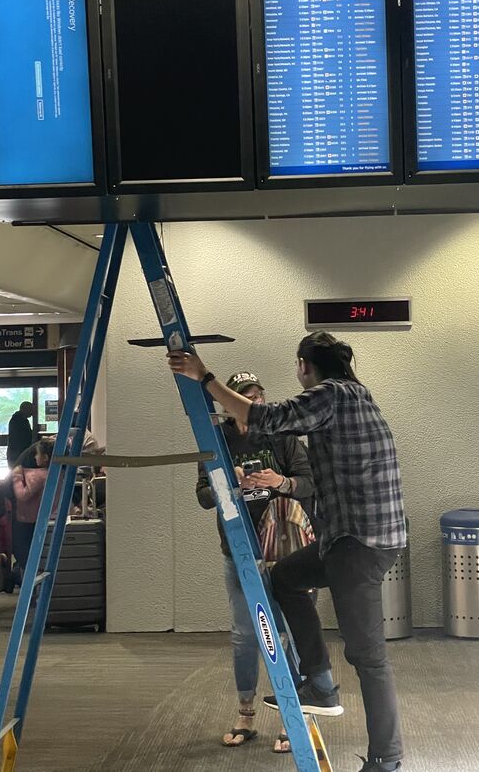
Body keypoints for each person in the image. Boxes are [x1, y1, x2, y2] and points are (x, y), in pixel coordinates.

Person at [170, 331, 407, 772]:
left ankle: (385, 760)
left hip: (359, 543)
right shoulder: (356, 394)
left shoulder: (331, 395)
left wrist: (204, 377)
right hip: (346, 539)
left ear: (304, 365)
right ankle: (319, 683)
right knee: (284, 580)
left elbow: (266, 417)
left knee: (368, 657)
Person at [195, 370, 316, 754]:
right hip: (239, 551)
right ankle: (246, 712)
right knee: (245, 635)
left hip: (287, 551)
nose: (254, 404)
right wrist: (223, 480)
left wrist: (277, 482)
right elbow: (202, 495)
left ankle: (294, 714)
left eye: (258, 397)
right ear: (230, 405)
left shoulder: (282, 436)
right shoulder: (217, 440)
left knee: (292, 632)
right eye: (245, 397)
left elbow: (309, 481)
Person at [11, 439, 53, 575]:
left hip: (29, 517)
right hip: (45, 515)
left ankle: (26, 575)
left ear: (45, 458)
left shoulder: (38, 476)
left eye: (38, 454)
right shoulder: (55, 473)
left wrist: (17, 476)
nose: (35, 457)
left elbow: (22, 495)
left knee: (24, 547)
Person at [7, 401, 35, 469]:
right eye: (31, 409)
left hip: (15, 453)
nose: (32, 412)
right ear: (25, 409)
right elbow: (24, 437)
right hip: (17, 453)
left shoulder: (17, 419)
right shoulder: (19, 420)